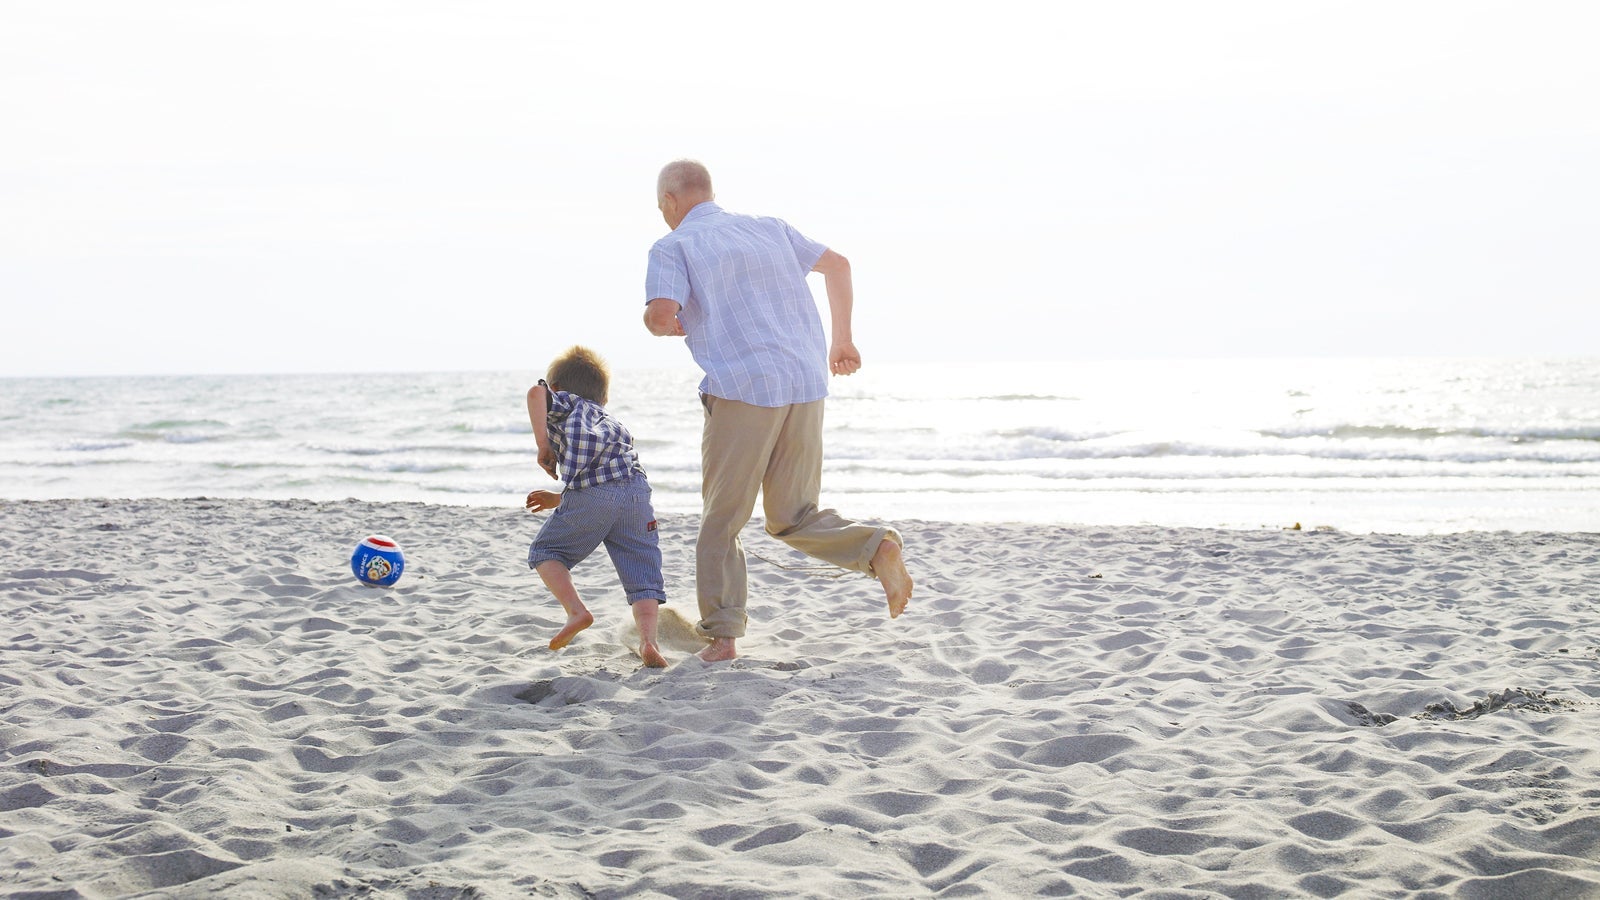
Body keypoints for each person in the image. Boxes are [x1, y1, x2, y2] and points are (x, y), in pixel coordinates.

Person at [642, 159, 913, 663]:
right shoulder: (771, 228)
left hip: (743, 389)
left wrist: (661, 322)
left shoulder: (673, 245)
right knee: (792, 515)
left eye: (662, 207)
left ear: (671, 202)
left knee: (722, 521)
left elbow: (661, 315)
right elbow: (839, 265)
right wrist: (843, 340)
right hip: (806, 383)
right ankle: (876, 547)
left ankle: (723, 638)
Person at [524, 345, 668, 668]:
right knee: (642, 572)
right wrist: (559, 499)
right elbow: (611, 483)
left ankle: (577, 611)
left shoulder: (566, 403)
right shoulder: (609, 421)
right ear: (603, 398)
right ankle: (649, 641)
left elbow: (535, 393)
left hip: (594, 494)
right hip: (637, 496)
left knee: (545, 553)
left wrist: (542, 444)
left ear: (557, 388)